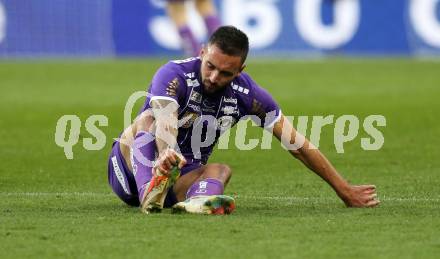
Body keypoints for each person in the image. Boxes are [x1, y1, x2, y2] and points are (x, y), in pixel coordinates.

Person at [107, 26, 380, 215]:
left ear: (240, 70)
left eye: (225, 73)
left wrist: (343, 189)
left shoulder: (249, 96)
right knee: (146, 120)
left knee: (221, 170)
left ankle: (199, 202)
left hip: (180, 177)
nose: (214, 77)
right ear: (202, 53)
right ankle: (148, 193)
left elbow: (298, 145)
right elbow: (165, 120)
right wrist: (167, 151)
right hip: (134, 166)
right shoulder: (173, 73)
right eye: (210, 66)